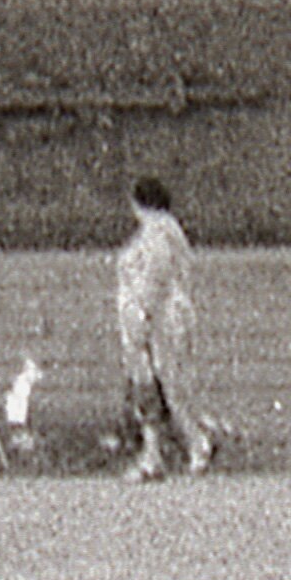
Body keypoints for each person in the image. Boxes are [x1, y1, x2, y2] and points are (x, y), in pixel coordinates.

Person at [112, 174, 217, 480]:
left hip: (159, 318)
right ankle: (153, 455)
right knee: (147, 388)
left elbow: (156, 275)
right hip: (150, 317)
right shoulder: (157, 232)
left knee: (169, 385)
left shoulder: (159, 233)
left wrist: (142, 313)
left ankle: (197, 443)